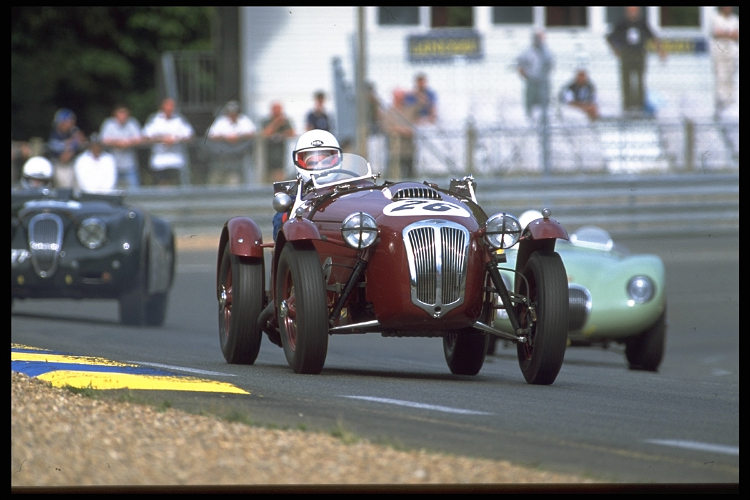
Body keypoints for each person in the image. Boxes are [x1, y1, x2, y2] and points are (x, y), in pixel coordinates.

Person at [273, 129, 342, 240]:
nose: (319, 166)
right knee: (281, 216)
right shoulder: (297, 197)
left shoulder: (347, 187)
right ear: (300, 162)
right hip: (306, 248)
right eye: (313, 162)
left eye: (325, 161)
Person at [606, 6, 666, 116]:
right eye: (630, 10)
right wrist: (616, 50)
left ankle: (639, 106)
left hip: (639, 53)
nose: (632, 12)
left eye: (634, 10)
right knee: (626, 80)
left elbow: (653, 36)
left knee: (640, 80)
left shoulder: (642, 23)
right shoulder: (622, 23)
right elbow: (610, 37)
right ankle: (627, 106)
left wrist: (660, 50)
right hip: (626, 53)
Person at [141, 97, 195, 186]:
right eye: (168, 106)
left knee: (178, 187)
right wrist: (162, 140)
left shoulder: (179, 119)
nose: (170, 108)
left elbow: (191, 136)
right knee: (162, 186)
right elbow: (145, 137)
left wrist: (175, 139)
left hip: (177, 161)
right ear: (162, 107)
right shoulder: (154, 119)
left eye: (172, 106)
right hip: (159, 161)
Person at [206, 100, 257, 185]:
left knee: (234, 180)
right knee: (216, 178)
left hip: (239, 155)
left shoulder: (244, 120)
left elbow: (252, 133)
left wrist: (238, 137)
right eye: (230, 112)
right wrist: (225, 137)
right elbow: (211, 135)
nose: (232, 114)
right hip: (222, 155)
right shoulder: (221, 121)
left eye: (234, 112)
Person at [99, 104, 143, 189]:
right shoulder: (109, 124)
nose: (122, 116)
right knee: (111, 189)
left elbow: (140, 139)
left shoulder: (132, 123)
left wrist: (128, 143)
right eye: (120, 113)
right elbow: (103, 140)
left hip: (130, 164)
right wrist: (117, 143)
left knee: (135, 190)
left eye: (124, 113)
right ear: (115, 114)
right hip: (113, 164)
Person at [516, 30, 555, 125]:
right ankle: (529, 119)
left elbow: (550, 64)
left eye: (541, 38)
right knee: (530, 100)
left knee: (545, 100)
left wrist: (545, 75)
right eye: (537, 38)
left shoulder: (547, 52)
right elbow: (520, 66)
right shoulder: (527, 51)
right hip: (531, 80)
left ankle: (544, 121)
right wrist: (527, 76)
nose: (539, 40)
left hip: (543, 80)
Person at [710, 6, 739, 119]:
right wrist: (729, 34)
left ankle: (730, 105)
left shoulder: (735, 19)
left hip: (732, 54)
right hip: (719, 55)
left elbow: (736, 35)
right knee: (721, 80)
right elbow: (716, 33)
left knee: (730, 80)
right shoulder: (715, 18)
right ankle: (720, 106)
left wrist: (725, 33)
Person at [47, 108, 87, 189]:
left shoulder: (72, 131)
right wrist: (73, 144)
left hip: (73, 164)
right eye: (69, 121)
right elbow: (63, 157)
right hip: (59, 166)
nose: (71, 124)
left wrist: (76, 139)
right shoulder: (55, 136)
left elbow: (83, 141)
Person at [381, 89, 417, 179]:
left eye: (402, 97)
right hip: (395, 151)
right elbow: (387, 128)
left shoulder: (409, 110)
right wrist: (402, 130)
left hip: (409, 150)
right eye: (398, 97)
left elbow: (412, 128)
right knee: (394, 176)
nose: (400, 99)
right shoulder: (389, 112)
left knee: (410, 176)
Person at [261, 101, 295, 182]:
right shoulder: (266, 121)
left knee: (280, 172)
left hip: (281, 151)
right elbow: (266, 133)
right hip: (268, 152)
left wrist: (282, 134)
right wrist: (276, 123)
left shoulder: (285, 121)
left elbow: (291, 133)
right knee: (269, 172)